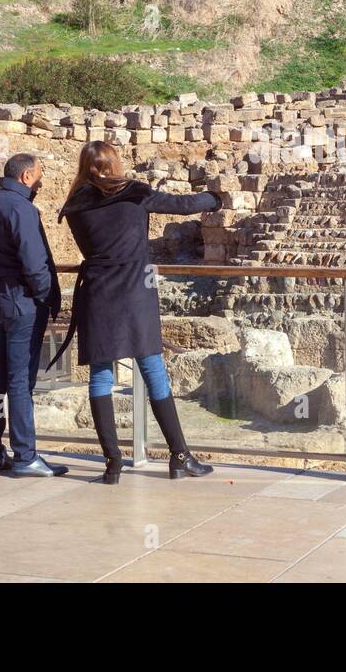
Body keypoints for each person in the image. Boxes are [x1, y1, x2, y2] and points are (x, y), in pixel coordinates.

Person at [55, 141, 220, 483]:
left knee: (101, 376)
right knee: (153, 369)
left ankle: (113, 463)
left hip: (98, 293)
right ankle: (179, 457)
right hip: (134, 290)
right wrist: (214, 199)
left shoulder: (74, 204)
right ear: (114, 164)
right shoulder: (134, 192)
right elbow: (181, 205)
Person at [0, 153, 66, 477]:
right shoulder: (21, 208)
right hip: (21, 303)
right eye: (39, 175)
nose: (41, 181)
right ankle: (25, 455)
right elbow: (34, 262)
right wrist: (43, 297)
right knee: (19, 382)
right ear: (26, 176)